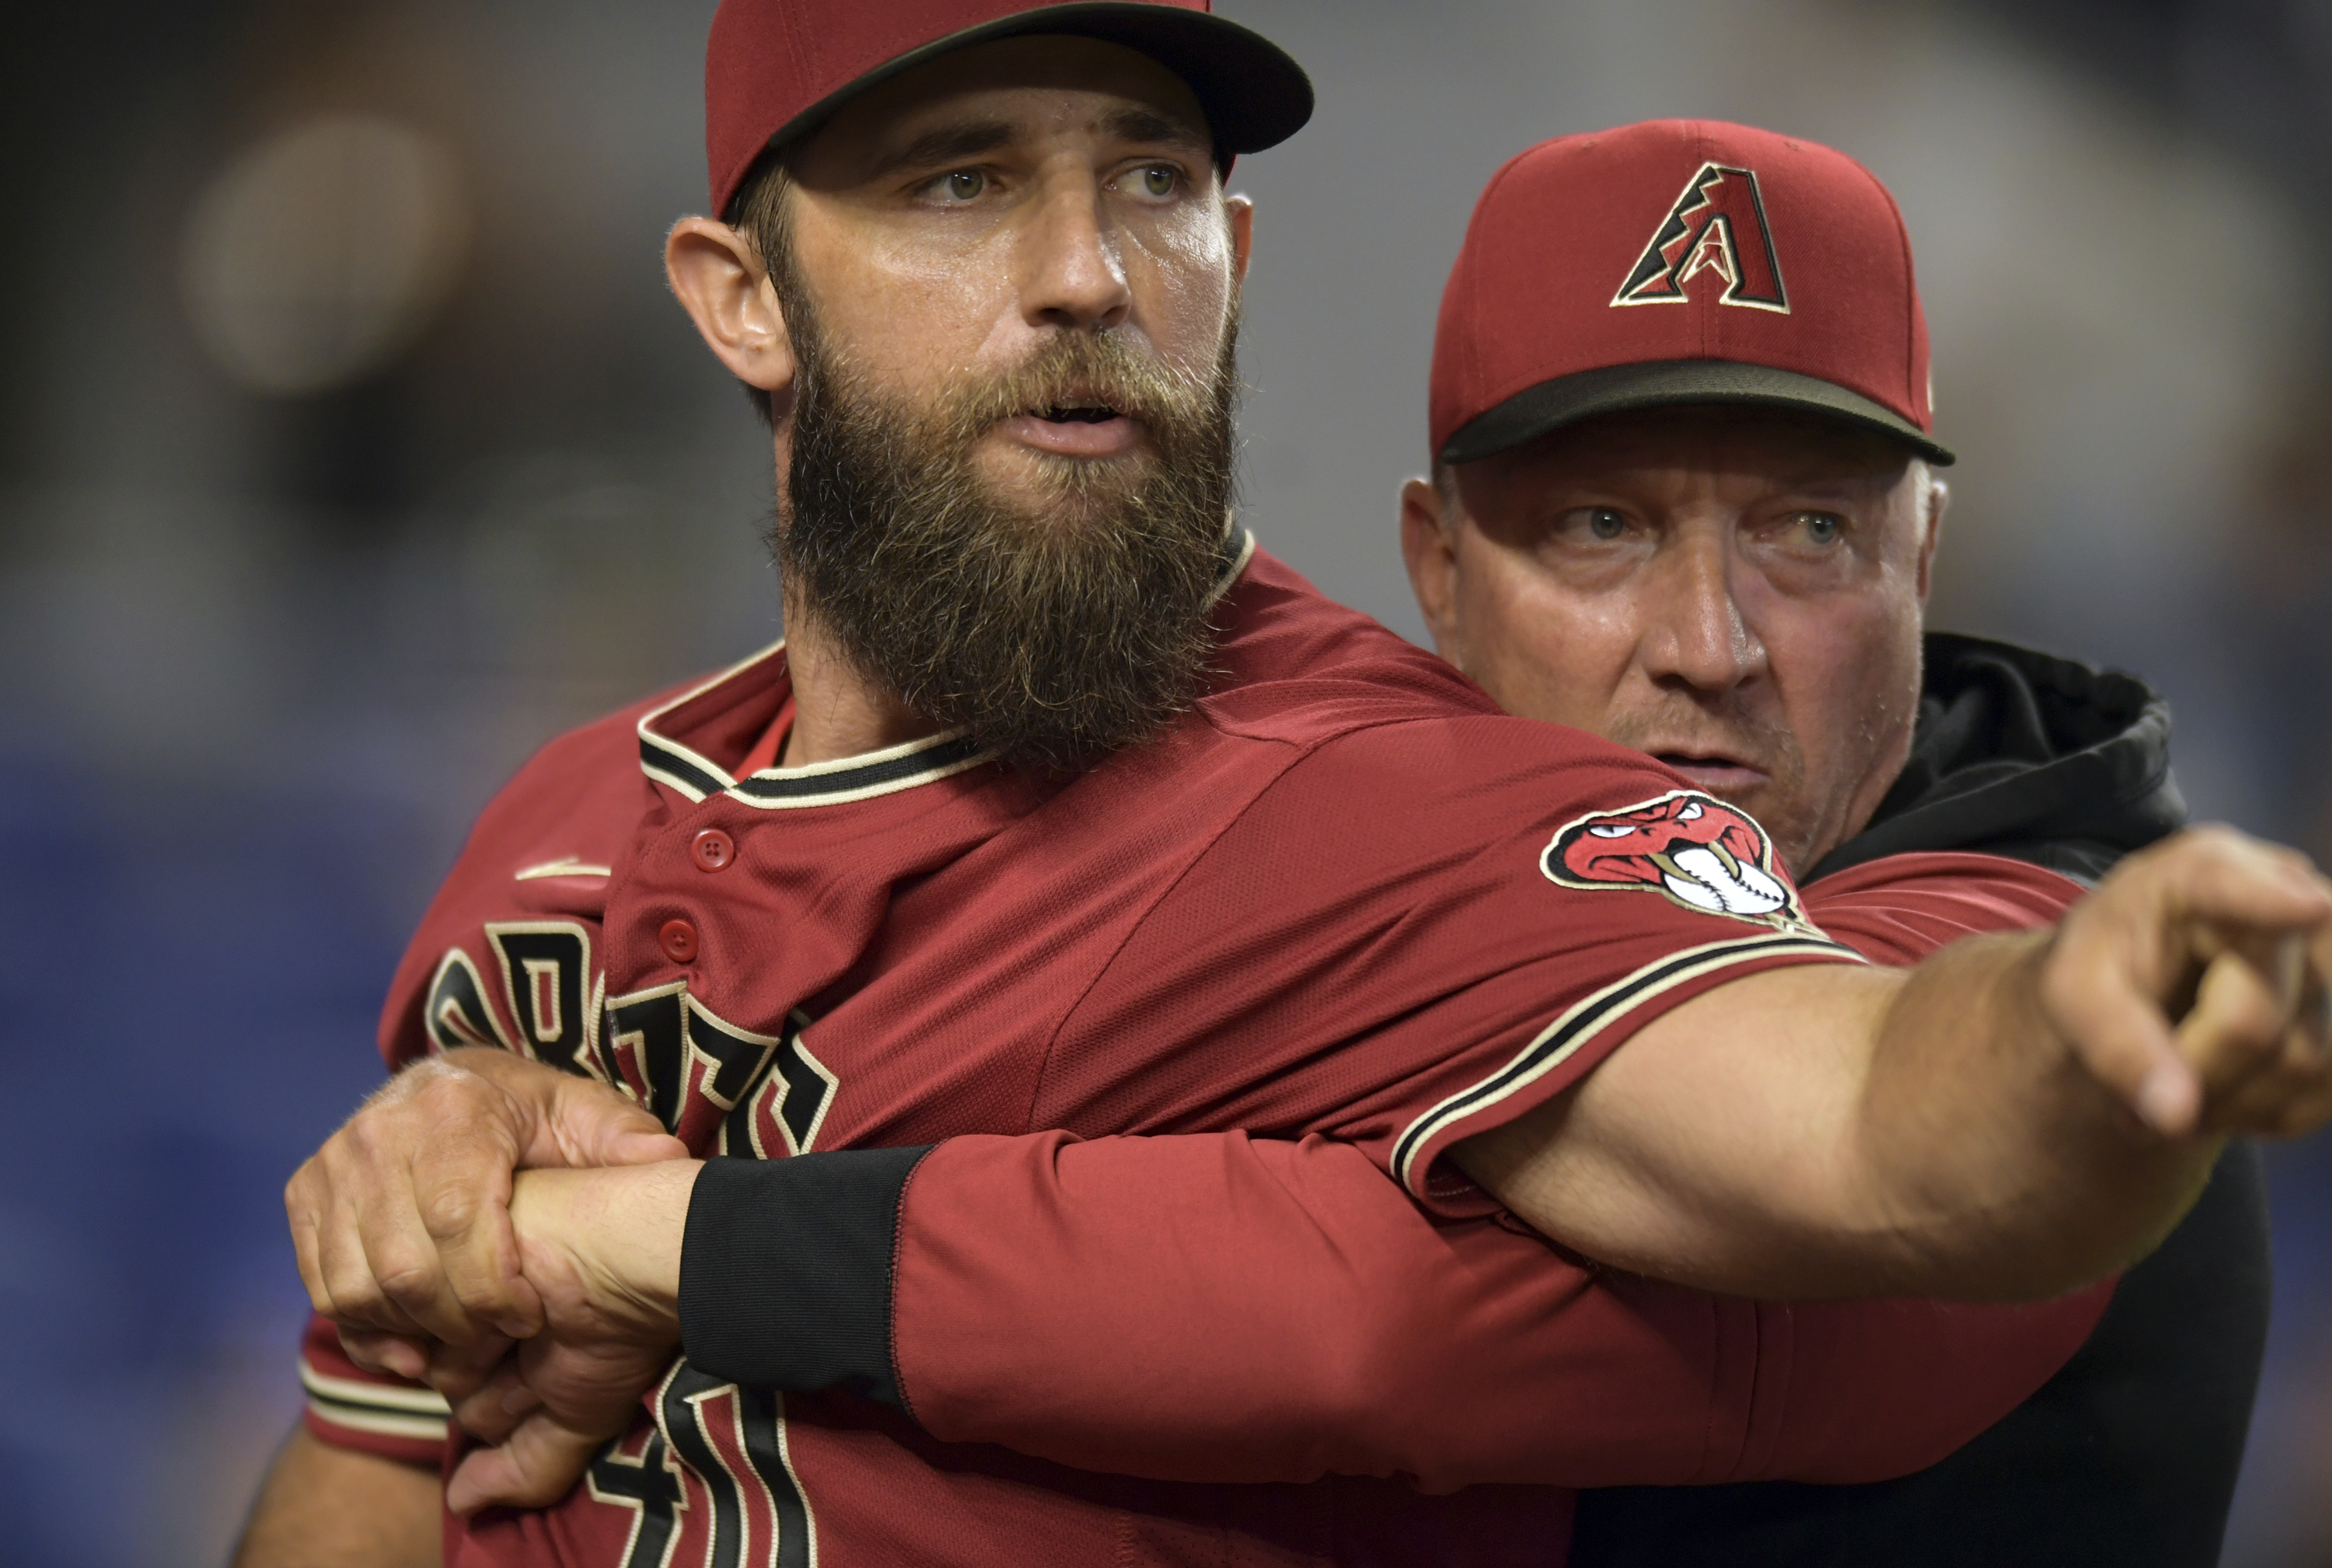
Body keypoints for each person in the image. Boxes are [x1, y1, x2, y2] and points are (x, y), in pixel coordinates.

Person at [239, 10, 2332, 1566]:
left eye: (1149, 180)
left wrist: (631, 1239)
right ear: (735, 295)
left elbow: (1838, 1136)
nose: (1086, 271)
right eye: (960, 179)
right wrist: (473, 1183)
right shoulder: (563, 822)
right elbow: (368, 1473)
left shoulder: (1422, 820)